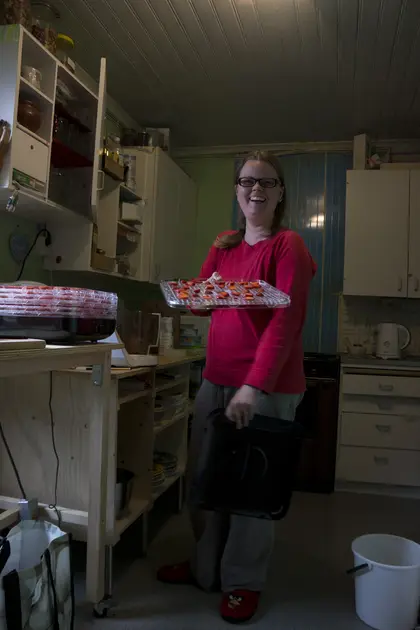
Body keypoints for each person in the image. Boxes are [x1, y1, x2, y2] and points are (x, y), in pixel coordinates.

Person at [157, 150, 316, 623]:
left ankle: (243, 581)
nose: (256, 189)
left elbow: (285, 323)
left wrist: (253, 387)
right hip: (215, 379)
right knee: (207, 479)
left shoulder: (288, 246)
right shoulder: (225, 247)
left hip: (266, 387)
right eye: (247, 181)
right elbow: (201, 306)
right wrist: (202, 283)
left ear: (280, 192)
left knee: (251, 490)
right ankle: (206, 569)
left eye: (267, 181)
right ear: (237, 191)